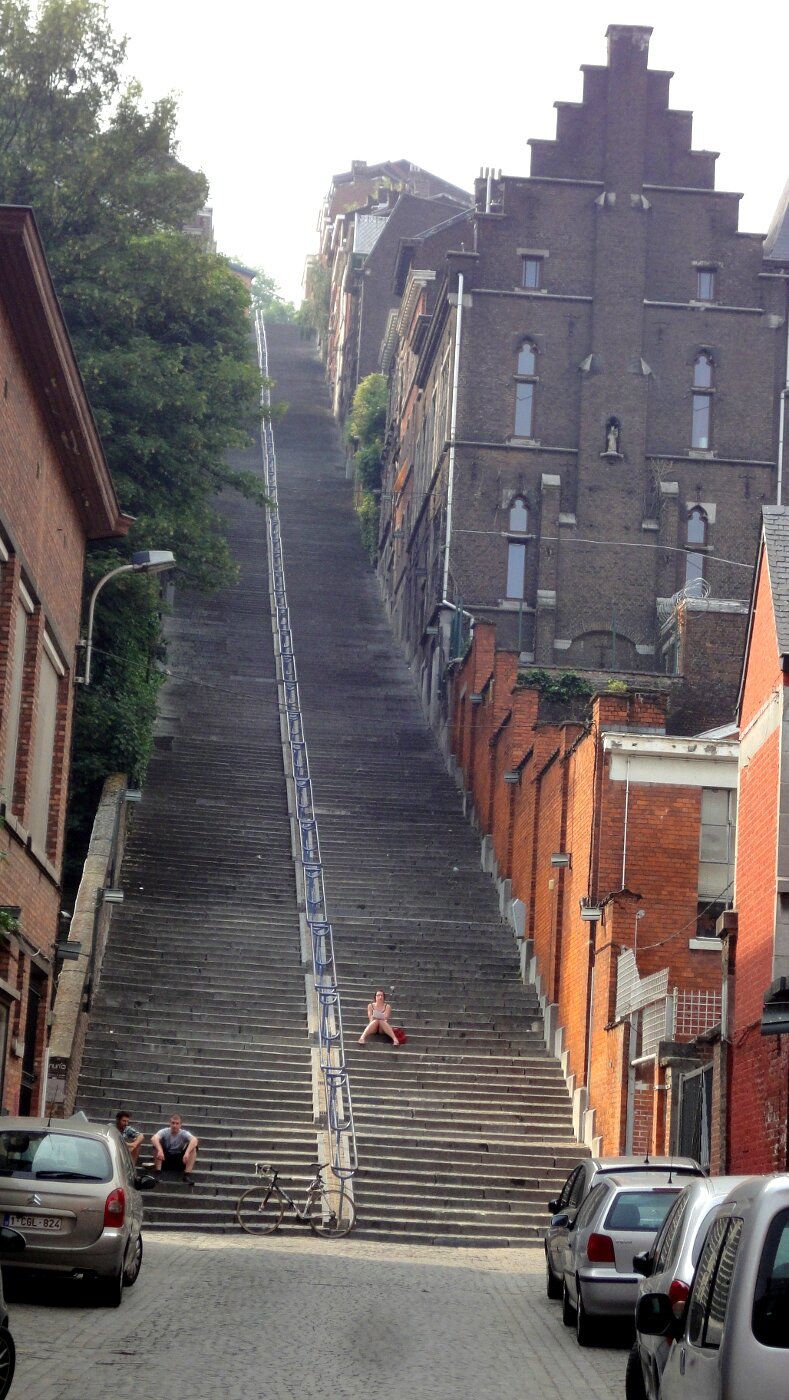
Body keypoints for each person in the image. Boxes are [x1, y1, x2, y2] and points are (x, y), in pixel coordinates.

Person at [150, 1113, 198, 1184]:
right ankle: (158, 1173)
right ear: (169, 1123)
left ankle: (187, 1175)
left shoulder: (183, 1133)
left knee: (193, 1148)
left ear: (180, 1125)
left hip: (180, 1160)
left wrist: (187, 1152)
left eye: (177, 1123)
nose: (174, 1125)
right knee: (156, 1145)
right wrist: (160, 1150)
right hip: (165, 1159)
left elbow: (194, 1140)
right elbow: (153, 1138)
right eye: (173, 1123)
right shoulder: (164, 1131)